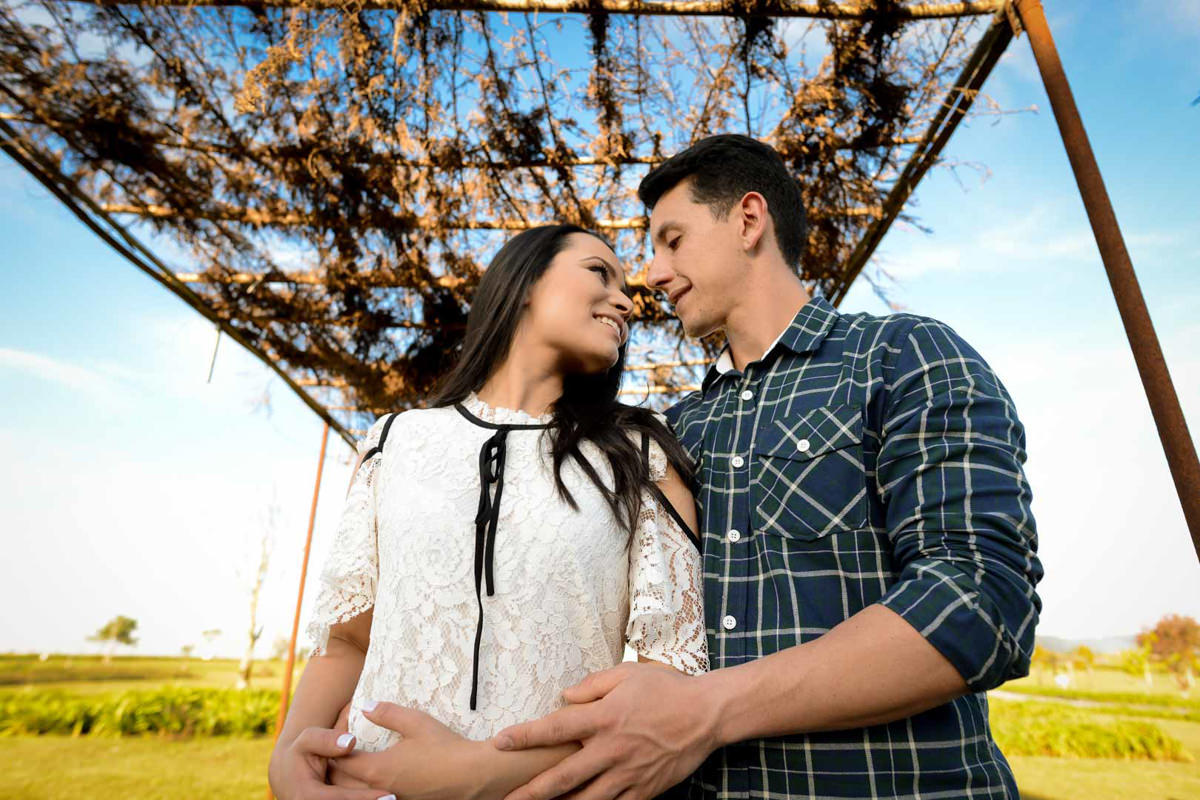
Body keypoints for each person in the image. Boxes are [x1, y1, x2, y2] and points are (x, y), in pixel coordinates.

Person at [485, 134, 1045, 800]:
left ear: (749, 220)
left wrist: (706, 709)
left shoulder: (902, 357)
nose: (653, 274)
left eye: (672, 240)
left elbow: (978, 600)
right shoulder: (677, 431)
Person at [268, 224, 709, 800]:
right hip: (367, 785)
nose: (627, 299)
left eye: (626, 287)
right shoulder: (393, 442)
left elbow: (667, 676)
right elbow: (349, 642)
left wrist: (479, 771)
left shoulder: (641, 458)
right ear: (525, 282)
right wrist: (287, 761)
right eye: (600, 272)